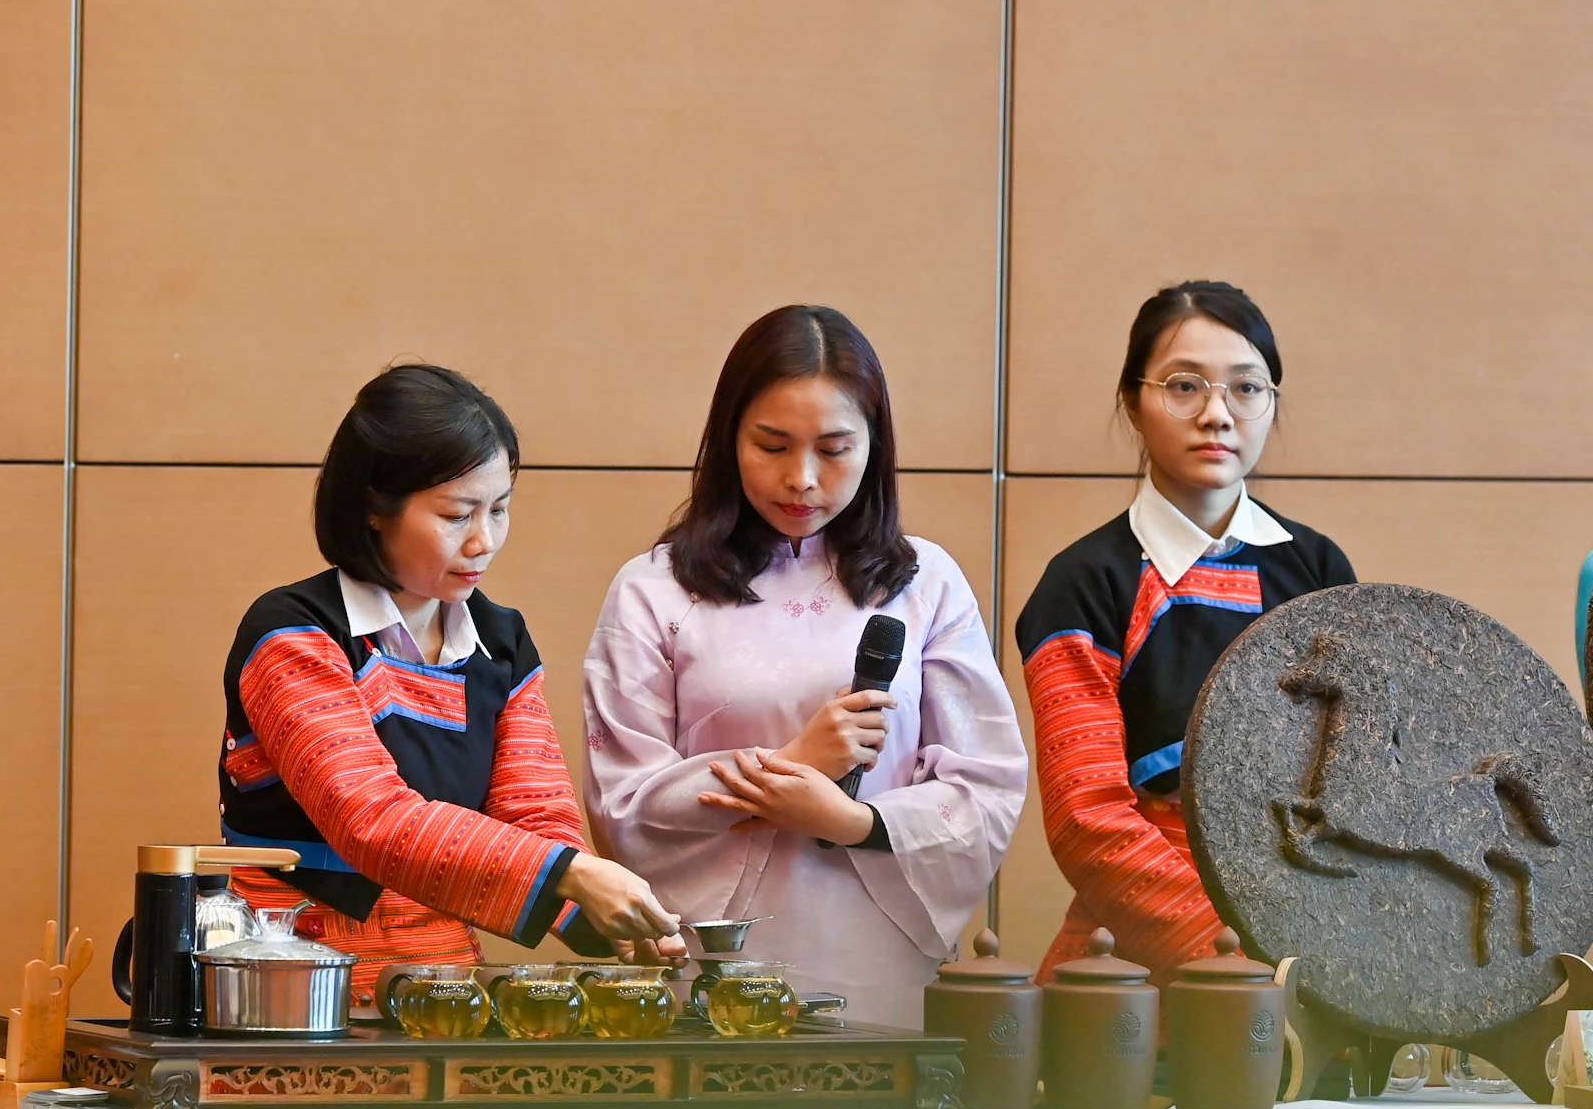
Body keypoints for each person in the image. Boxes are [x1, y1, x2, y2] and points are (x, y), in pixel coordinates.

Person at [581, 305, 1027, 1029]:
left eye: (834, 447)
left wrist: (853, 821)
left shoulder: (928, 583)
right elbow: (620, 803)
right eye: (773, 445)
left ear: (874, 447)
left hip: (881, 957)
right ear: (729, 439)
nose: (803, 479)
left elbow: (989, 786)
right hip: (712, 956)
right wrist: (788, 766)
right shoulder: (653, 589)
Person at [218, 364, 684, 1008]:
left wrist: (615, 928)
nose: (483, 541)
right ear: (373, 508)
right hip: (287, 978)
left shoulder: (501, 640)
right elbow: (371, 819)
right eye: (456, 514)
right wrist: (577, 877)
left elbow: (535, 814)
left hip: (442, 986)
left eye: (499, 509)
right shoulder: (294, 631)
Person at [1015, 281, 1356, 984]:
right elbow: (1088, 819)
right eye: (1183, 386)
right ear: (1133, 403)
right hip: (1143, 969)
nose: (1217, 414)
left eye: (1246, 389)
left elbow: (1354, 781)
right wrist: (1239, 964)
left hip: (1316, 949)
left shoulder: (1320, 568)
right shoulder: (1087, 579)